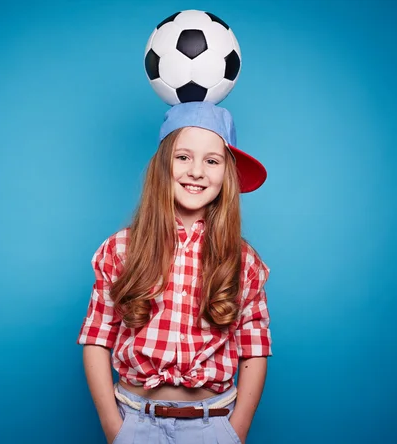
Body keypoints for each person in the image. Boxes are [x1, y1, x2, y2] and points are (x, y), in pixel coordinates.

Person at [77, 101, 271, 444]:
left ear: (226, 174)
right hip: (134, 420)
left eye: (211, 161)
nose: (196, 171)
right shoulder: (120, 249)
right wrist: (113, 428)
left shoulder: (242, 260)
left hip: (213, 424)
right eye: (183, 157)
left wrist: (235, 431)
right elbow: (96, 339)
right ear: (162, 166)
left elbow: (254, 347)